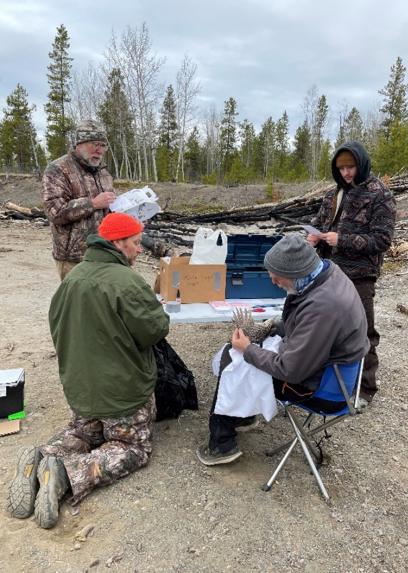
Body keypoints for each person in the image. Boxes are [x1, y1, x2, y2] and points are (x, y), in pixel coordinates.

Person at [7, 212, 170, 528]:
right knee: (131, 447)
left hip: (82, 391)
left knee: (86, 430)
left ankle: (46, 457)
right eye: (135, 243)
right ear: (119, 242)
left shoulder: (73, 277)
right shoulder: (128, 282)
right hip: (124, 395)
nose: (139, 250)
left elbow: (57, 327)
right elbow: (155, 330)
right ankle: (67, 475)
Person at [196, 233, 369, 466]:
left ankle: (221, 444)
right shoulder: (326, 274)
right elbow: (303, 325)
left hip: (324, 390)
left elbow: (291, 370)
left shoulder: (322, 306)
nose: (273, 281)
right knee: (248, 353)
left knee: (234, 360)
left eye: (277, 278)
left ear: (297, 273)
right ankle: (242, 416)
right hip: (335, 373)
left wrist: (247, 349)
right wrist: (272, 326)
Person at [307, 141, 396, 406]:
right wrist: (313, 236)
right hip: (328, 272)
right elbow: (319, 223)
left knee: (364, 330)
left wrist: (342, 239)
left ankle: (366, 389)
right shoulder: (334, 194)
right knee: (326, 326)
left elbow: (382, 240)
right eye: (342, 168)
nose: (346, 173)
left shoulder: (380, 195)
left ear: (362, 163)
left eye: (351, 166)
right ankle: (328, 377)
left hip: (360, 276)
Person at [42, 119, 116, 280]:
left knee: (101, 303)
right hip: (74, 258)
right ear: (79, 143)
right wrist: (93, 203)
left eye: (103, 145)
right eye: (95, 144)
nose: (100, 150)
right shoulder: (58, 169)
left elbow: (107, 209)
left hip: (104, 252)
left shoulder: (103, 172)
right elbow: (54, 212)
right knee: (77, 304)